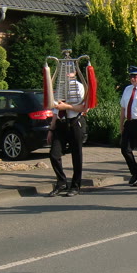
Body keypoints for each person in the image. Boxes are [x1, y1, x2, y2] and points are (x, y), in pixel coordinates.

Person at [47, 68, 86, 197]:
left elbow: (84, 108)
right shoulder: (60, 87)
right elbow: (56, 110)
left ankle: (75, 185)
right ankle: (62, 182)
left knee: (76, 155)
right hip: (61, 124)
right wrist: (51, 129)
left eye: (70, 71)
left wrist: (67, 107)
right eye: (65, 70)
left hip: (75, 122)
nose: (67, 73)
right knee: (54, 154)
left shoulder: (80, 87)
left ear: (75, 72)